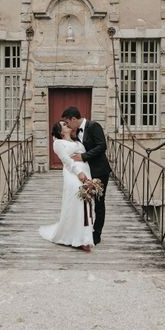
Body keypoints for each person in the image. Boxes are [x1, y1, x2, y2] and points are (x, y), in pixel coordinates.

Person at [39, 121, 94, 252]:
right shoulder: (57, 143)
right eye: (63, 124)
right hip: (73, 174)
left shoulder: (77, 141)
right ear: (60, 131)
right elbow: (66, 160)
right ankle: (76, 238)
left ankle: (85, 236)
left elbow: (85, 155)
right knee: (77, 201)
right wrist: (78, 172)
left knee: (88, 203)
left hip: (86, 172)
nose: (67, 124)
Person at [61, 106, 111, 245]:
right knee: (85, 202)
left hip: (100, 171)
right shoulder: (75, 133)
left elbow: (102, 146)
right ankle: (84, 231)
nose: (68, 126)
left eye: (68, 122)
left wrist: (83, 156)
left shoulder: (94, 126)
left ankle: (97, 233)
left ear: (74, 119)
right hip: (86, 172)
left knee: (99, 202)